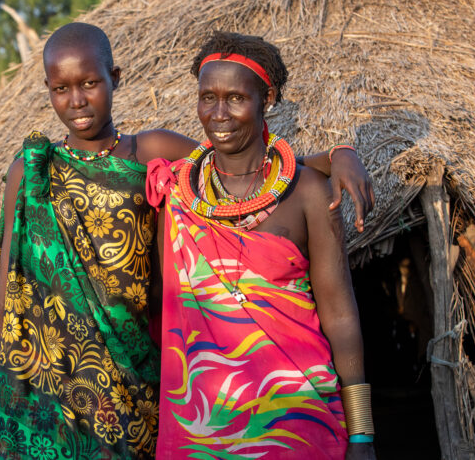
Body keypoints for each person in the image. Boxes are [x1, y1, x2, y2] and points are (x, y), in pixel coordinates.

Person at [0, 23, 374, 460]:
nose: (77, 101)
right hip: (51, 398)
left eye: (90, 83)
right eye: (61, 88)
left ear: (116, 78)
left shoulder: (152, 152)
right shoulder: (31, 172)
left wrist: (340, 155)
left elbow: (249, 167)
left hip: (139, 394)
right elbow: (4, 301)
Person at [146, 31, 376, 459]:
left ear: (265, 99)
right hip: (200, 424)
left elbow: (340, 314)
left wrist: (362, 433)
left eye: (235, 98)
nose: (219, 113)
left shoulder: (308, 192)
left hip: (297, 420)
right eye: (207, 97)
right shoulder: (178, 190)